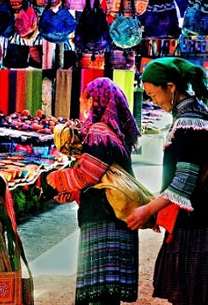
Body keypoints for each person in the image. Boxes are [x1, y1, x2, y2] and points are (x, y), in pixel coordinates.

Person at [127, 58, 208, 305]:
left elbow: (184, 181)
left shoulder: (190, 122)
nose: (153, 101)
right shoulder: (197, 113)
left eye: (153, 94)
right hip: (197, 222)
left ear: (171, 87)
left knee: (190, 298)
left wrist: (148, 209)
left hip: (196, 225)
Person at [46, 78, 140, 305]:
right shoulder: (114, 133)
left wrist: (51, 180)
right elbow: (97, 178)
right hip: (114, 219)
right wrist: (73, 192)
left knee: (100, 296)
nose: (83, 104)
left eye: (86, 98)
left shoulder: (100, 132)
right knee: (107, 296)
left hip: (104, 222)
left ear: (95, 100)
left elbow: (86, 175)